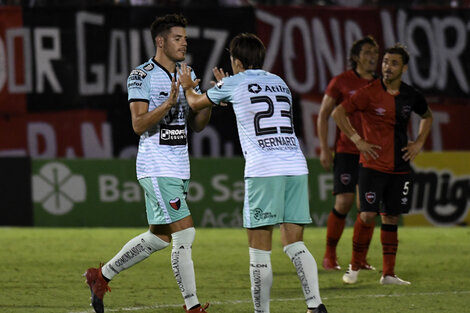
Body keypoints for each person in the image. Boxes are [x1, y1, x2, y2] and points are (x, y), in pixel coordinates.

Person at [178, 33, 327, 313]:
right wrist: (225, 88)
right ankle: (315, 305)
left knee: (259, 250)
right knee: (294, 243)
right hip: (295, 165)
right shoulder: (280, 82)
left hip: (264, 169)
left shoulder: (234, 82)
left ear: (235, 61)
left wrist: (189, 87)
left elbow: (196, 104)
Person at [84, 14, 211, 313]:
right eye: (178, 38)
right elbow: (138, 125)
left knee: (160, 237)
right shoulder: (141, 75)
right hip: (156, 166)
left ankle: (100, 277)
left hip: (179, 167)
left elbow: (198, 125)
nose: (184, 43)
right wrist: (167, 103)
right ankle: (192, 307)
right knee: (185, 233)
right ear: (160, 41)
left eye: (185, 38)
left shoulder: (186, 72)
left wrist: (208, 100)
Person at [331, 43, 433, 285]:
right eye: (385, 62)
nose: (387, 67)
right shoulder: (369, 92)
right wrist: (358, 140)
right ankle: (354, 266)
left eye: (393, 63)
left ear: (404, 68)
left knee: (391, 218)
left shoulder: (411, 95)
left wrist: (418, 142)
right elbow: (338, 113)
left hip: (400, 165)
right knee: (367, 215)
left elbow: (427, 116)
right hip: (372, 165)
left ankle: (388, 274)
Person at [317, 36, 379, 271]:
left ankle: (359, 259)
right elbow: (324, 114)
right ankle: (329, 255)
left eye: (375, 51)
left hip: (372, 153)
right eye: (367, 52)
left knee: (368, 208)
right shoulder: (341, 82)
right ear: (355, 57)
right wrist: (324, 148)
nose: (372, 56)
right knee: (344, 202)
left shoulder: (379, 85)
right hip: (346, 151)